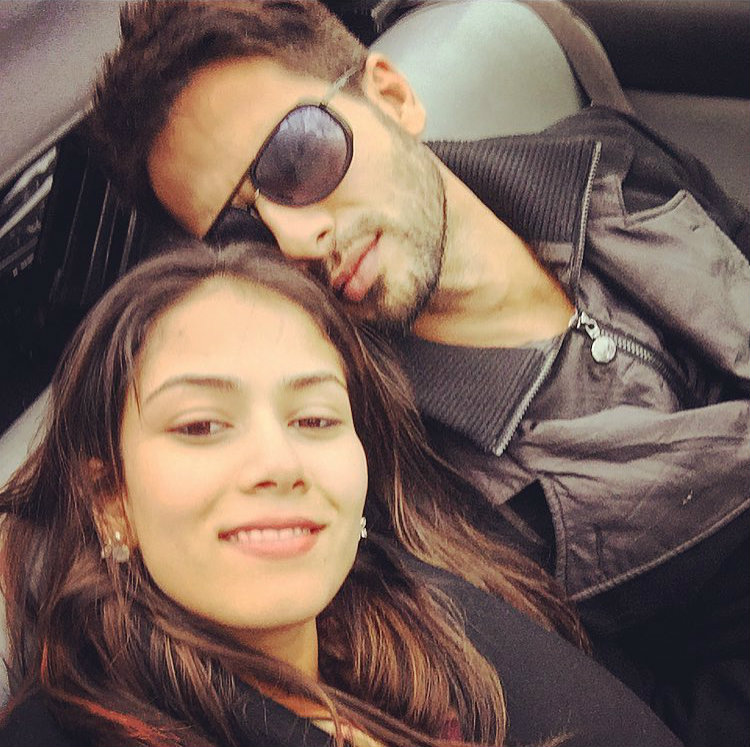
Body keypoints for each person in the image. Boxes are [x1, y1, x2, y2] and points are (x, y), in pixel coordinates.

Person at [84, 2, 750, 745]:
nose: (296, 238)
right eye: (244, 232)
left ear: (393, 95)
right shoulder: (420, 492)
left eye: (293, 160)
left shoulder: (610, 160)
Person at [0, 241, 682, 747]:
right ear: (109, 499)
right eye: (201, 425)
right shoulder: (63, 730)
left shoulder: (421, 612)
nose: (280, 463)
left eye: (316, 419)